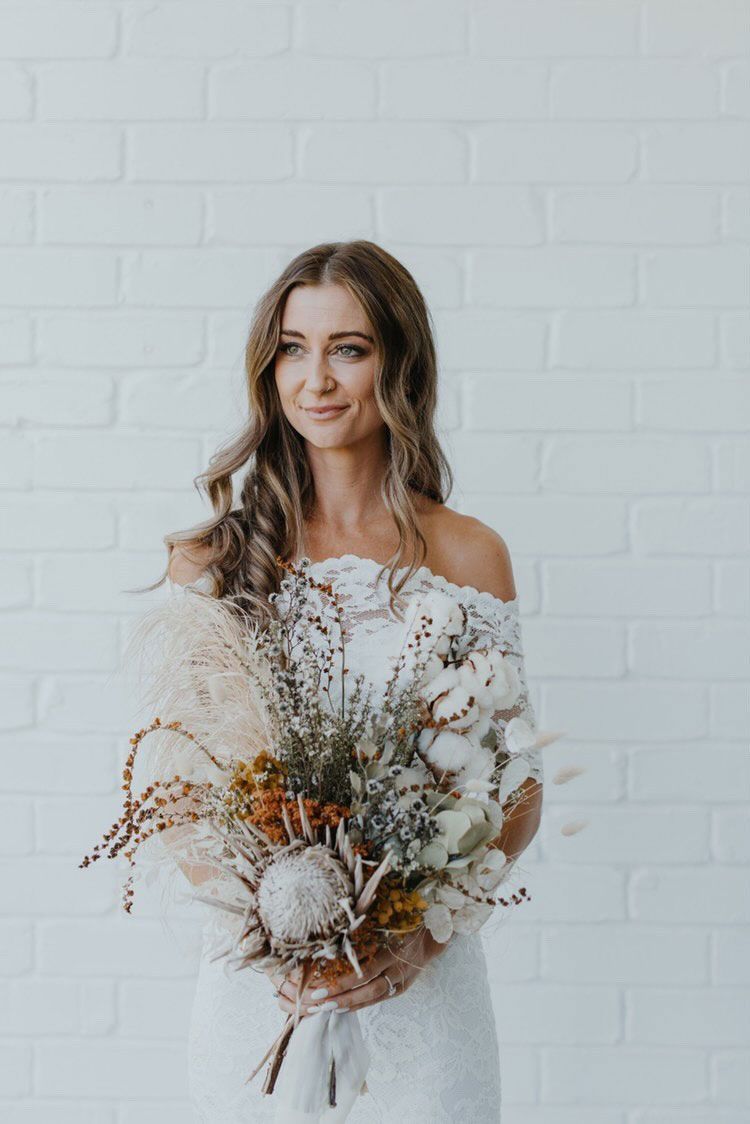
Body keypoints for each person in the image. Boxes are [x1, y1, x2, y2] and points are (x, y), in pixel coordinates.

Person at [162, 240, 543, 1121]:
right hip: (260, 998)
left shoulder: (467, 554)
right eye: (293, 347)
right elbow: (178, 795)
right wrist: (281, 938)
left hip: (422, 997)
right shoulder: (210, 565)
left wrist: (405, 943)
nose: (317, 379)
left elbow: (513, 788)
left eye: (349, 348)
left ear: (399, 364)